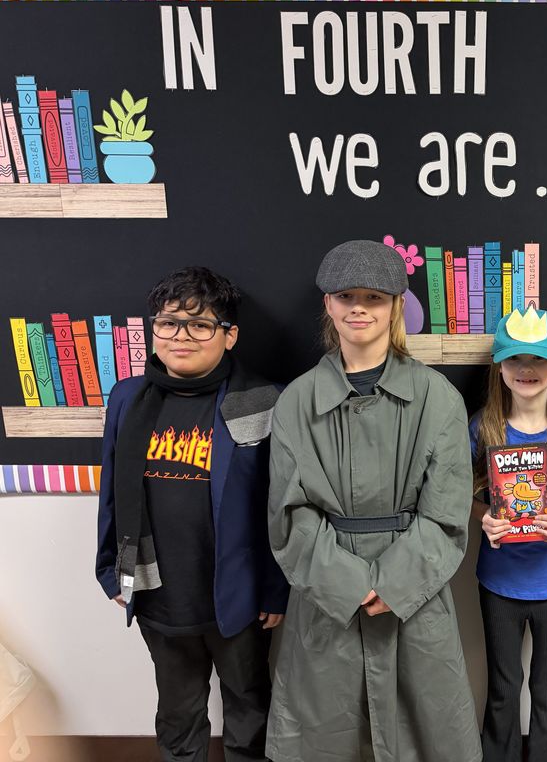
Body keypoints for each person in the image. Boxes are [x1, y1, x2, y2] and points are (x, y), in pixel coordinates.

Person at [265, 240, 481, 762]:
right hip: (325, 597)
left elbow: (447, 513)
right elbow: (289, 514)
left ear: (396, 305)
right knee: (323, 734)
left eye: (374, 297)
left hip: (413, 596)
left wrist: (392, 583)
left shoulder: (437, 397)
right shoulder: (296, 400)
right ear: (328, 305)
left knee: (425, 731)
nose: (358, 308)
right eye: (346, 296)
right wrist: (350, 585)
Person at [96, 266, 288, 762]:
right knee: (179, 715)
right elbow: (112, 492)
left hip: (237, 597)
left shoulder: (263, 400)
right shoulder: (127, 398)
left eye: (200, 325)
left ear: (229, 336)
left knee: (249, 708)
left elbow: (279, 503)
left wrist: (274, 587)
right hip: (159, 594)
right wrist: (109, 569)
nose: (181, 336)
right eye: (168, 323)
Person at [470, 307, 547, 762]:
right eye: (516, 359)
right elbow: (474, 495)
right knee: (502, 685)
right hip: (499, 580)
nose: (527, 369)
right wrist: (483, 516)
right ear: (499, 366)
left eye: (539, 360)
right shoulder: (483, 428)